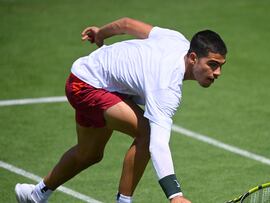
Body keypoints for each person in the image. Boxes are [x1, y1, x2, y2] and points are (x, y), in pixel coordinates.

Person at [15, 17, 227, 203]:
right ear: (192, 58)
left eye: (220, 66)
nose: (217, 72)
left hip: (89, 77)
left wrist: (101, 33)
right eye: (212, 64)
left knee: (89, 154)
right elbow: (158, 145)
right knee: (148, 132)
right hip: (87, 85)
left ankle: (35, 195)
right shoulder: (167, 86)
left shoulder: (176, 39)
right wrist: (175, 195)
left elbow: (126, 24)